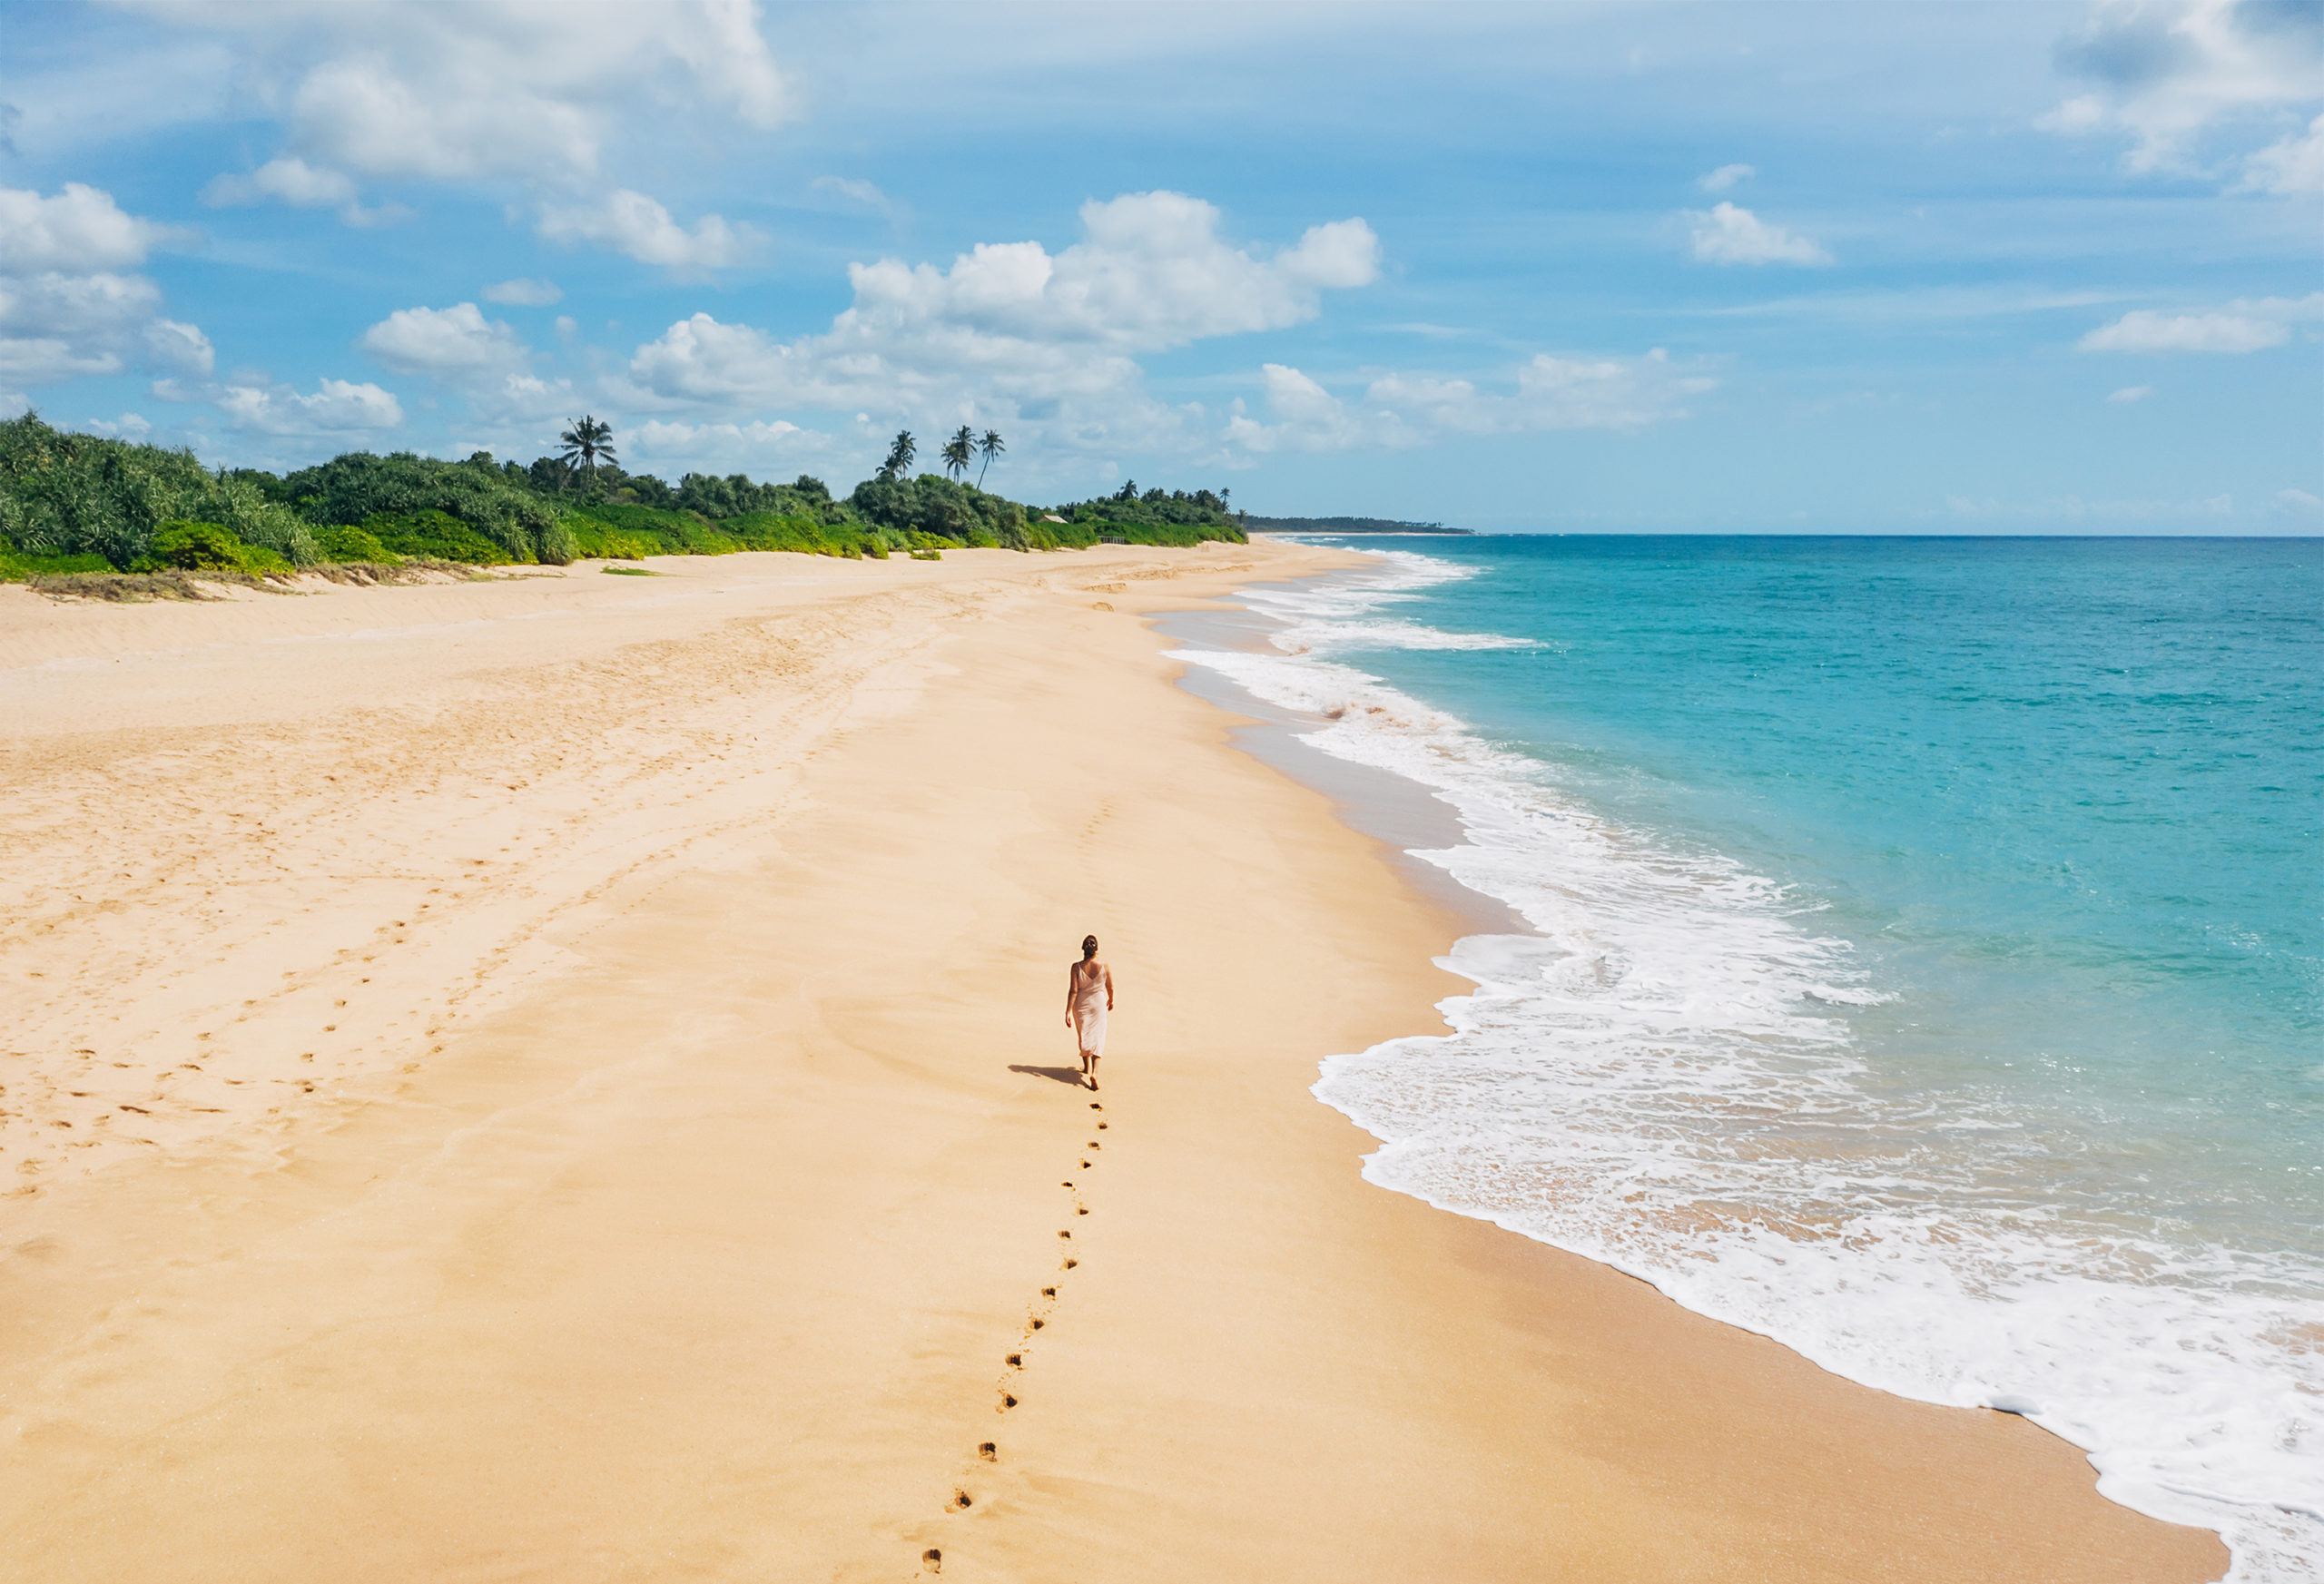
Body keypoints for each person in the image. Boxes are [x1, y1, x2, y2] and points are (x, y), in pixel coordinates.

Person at [1065, 934, 1114, 1090]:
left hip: (1081, 1004)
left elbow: (1073, 991)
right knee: (1098, 1037)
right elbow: (1110, 987)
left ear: (1083, 949)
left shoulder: (1076, 967)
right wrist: (1111, 1000)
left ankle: (1086, 1067)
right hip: (1098, 1003)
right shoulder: (1104, 965)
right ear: (1096, 949)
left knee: (1084, 1034)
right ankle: (1095, 1073)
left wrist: (1067, 1011)